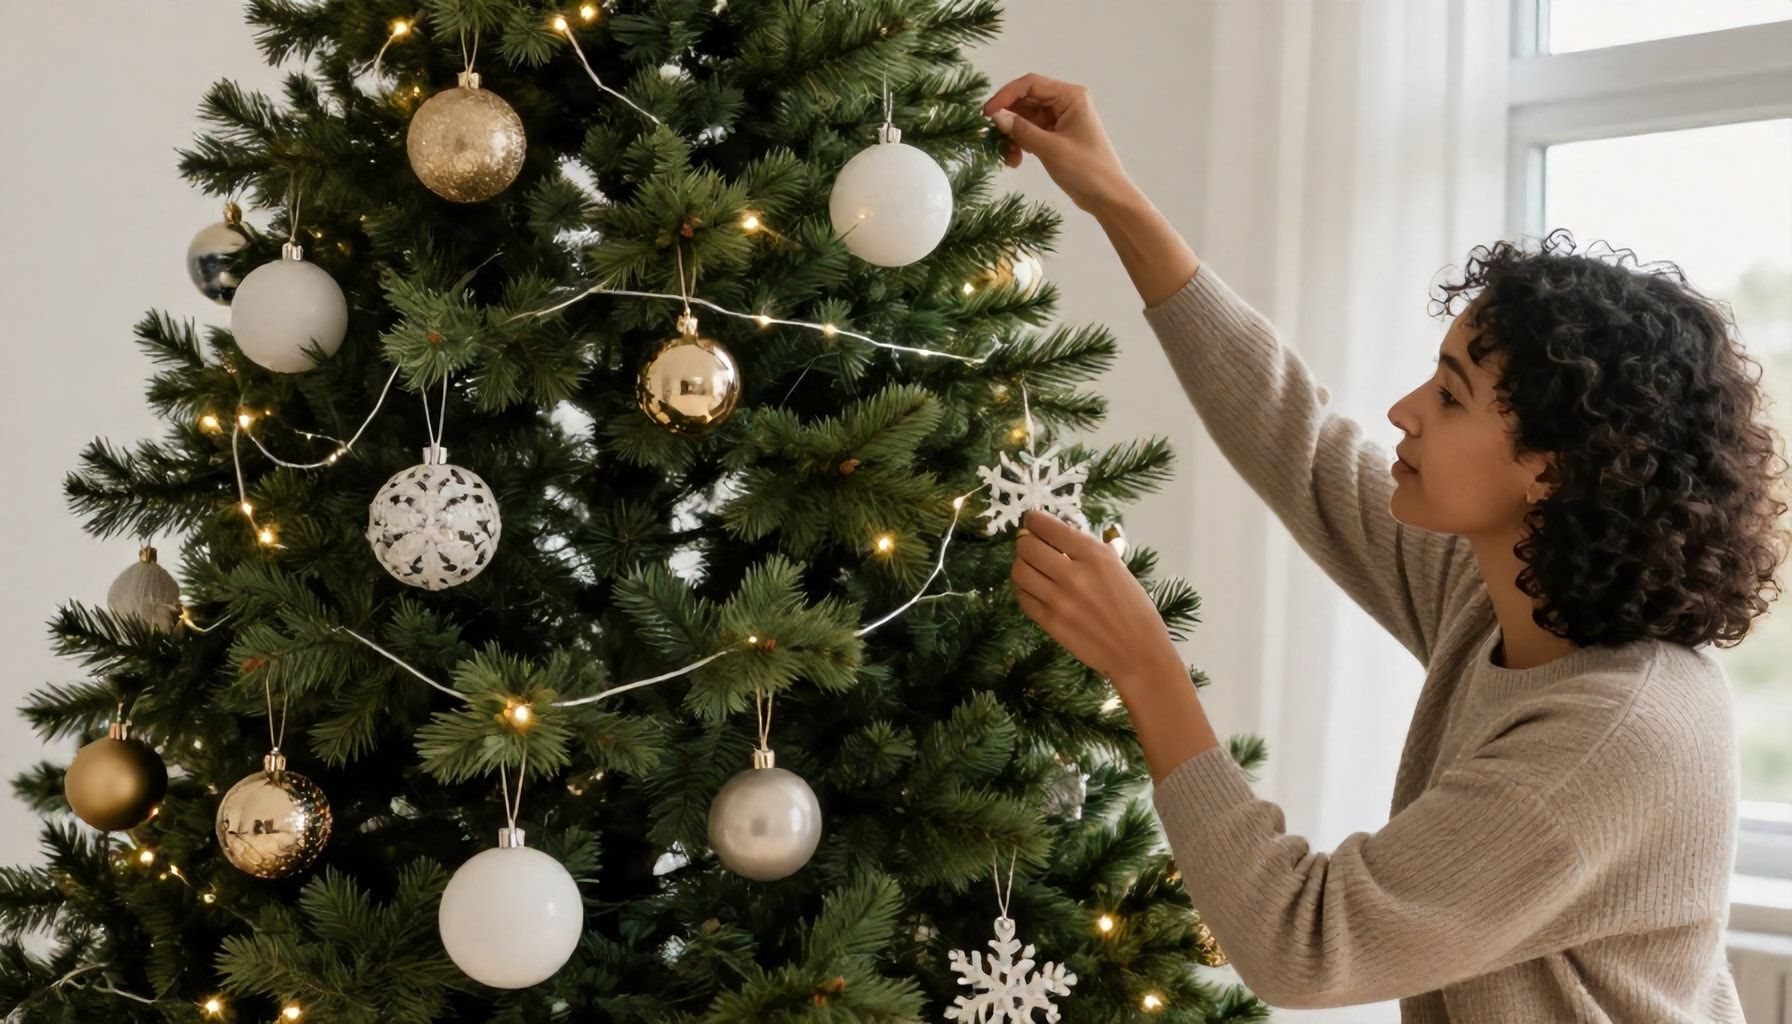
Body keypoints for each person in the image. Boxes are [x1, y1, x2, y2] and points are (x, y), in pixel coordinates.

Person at [984, 73, 1790, 1022]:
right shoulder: (1503, 595)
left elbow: (1304, 943)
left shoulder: (1614, 737)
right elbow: (1298, 438)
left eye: (1450, 397)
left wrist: (1143, 661)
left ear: (1552, 467)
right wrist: (1112, 195)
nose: (1404, 411)